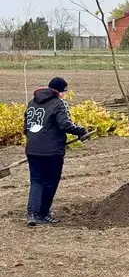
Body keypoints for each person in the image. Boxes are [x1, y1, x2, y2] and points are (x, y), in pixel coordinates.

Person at [23, 77, 88, 227]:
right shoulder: (59, 103)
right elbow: (65, 124)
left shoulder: (32, 102)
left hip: (32, 149)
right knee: (51, 182)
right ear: (60, 91)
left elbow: (26, 126)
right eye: (64, 92)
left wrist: (35, 140)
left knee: (37, 181)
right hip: (51, 151)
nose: (64, 95)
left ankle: (32, 214)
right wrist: (81, 130)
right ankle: (43, 213)